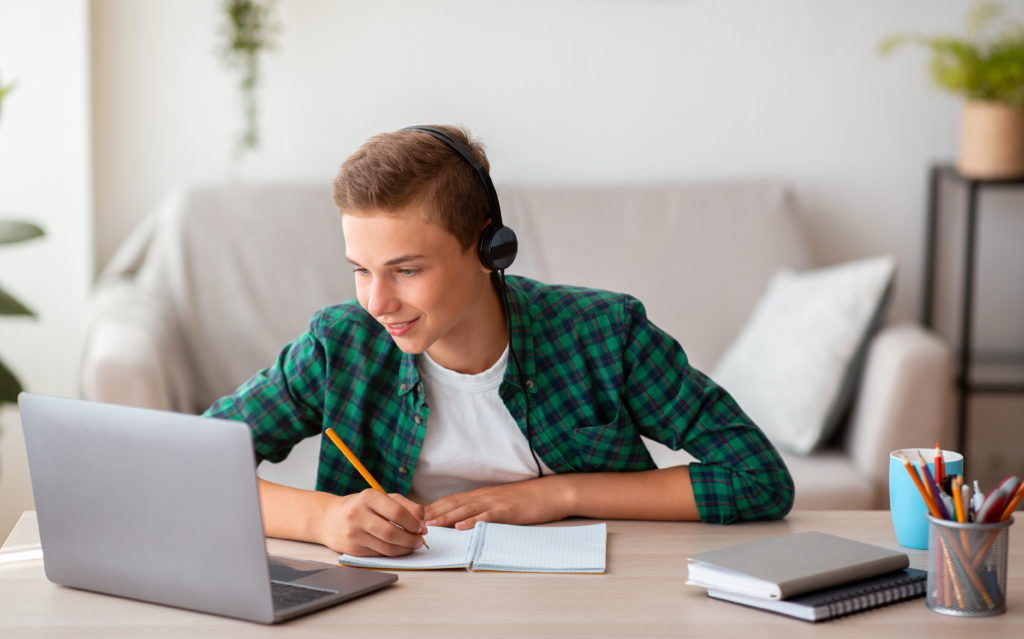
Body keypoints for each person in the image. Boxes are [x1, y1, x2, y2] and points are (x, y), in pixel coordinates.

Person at [204, 124, 794, 557]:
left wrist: (559, 495)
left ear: (491, 250)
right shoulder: (339, 346)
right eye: (361, 269)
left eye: (407, 270)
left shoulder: (606, 335)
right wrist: (324, 519)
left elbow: (758, 477)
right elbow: (199, 463)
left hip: (586, 610)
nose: (376, 302)